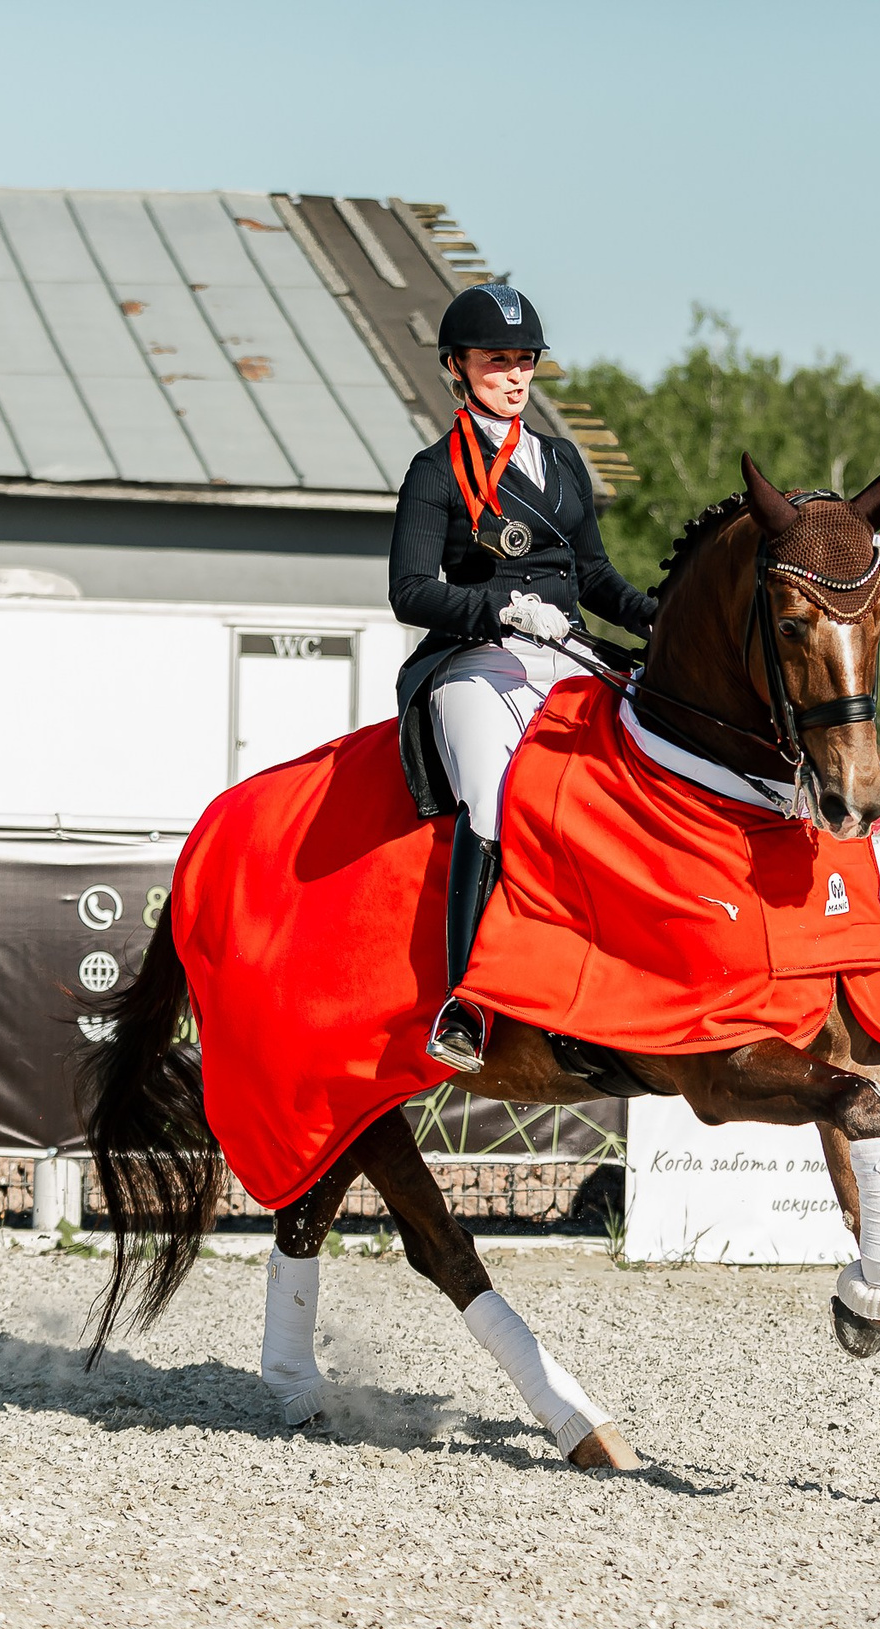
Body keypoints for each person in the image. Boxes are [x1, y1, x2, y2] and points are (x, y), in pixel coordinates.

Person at [388, 283, 660, 1071]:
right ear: (457, 367)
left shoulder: (561, 459)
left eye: (523, 361)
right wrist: (499, 606)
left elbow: (597, 574)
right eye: (496, 361)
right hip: (476, 661)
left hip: (566, 652)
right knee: (495, 791)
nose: (513, 376)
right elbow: (409, 591)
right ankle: (466, 1002)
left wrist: (652, 616)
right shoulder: (434, 471)